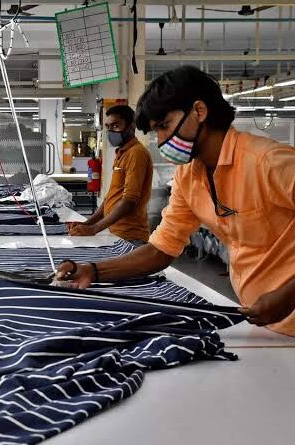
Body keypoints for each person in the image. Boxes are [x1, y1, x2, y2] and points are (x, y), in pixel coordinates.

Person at [56, 66, 295, 336]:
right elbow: (161, 250)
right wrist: (92, 271)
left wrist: (288, 294)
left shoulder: (269, 163)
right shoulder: (189, 177)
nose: (161, 141)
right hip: (265, 324)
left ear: (199, 111)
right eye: (156, 131)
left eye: (164, 126)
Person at [68, 105, 153, 244]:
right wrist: (87, 224)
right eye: (108, 127)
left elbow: (129, 201)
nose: (111, 131)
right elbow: (110, 197)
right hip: (117, 233)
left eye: (116, 126)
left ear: (131, 126)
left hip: (130, 236)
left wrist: (94, 229)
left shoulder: (136, 153)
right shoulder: (122, 153)